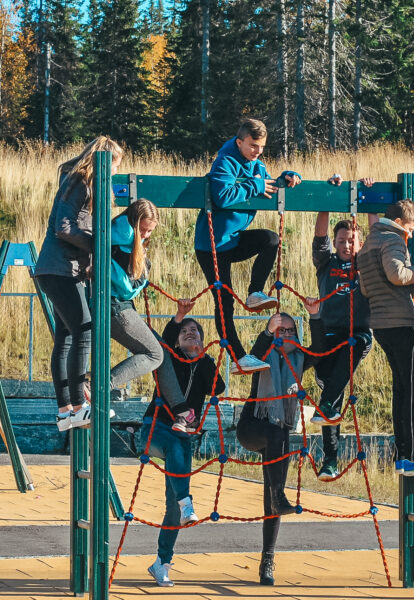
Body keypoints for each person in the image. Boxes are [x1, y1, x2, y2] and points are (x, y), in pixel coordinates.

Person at [193, 118, 302, 375]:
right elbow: (222, 195)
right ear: (239, 141)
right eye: (253, 145)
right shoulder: (225, 161)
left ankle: (255, 293)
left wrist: (288, 177)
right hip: (212, 244)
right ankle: (239, 358)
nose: (258, 151)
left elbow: (267, 184)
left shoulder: (257, 164)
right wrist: (254, 184)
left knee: (270, 239)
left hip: (234, 239)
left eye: (262, 146)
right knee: (224, 302)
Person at [34, 136, 124, 433]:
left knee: (66, 339)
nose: (114, 173)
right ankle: (77, 404)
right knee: (84, 329)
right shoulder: (82, 183)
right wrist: (98, 244)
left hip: (57, 268)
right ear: (103, 161)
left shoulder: (75, 181)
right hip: (60, 269)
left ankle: (65, 412)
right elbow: (63, 226)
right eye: (114, 166)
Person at [235, 300, 322, 586]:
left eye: (289, 330)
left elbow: (321, 348)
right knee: (276, 442)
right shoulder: (262, 355)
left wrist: (314, 316)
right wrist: (267, 332)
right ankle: (278, 496)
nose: (284, 334)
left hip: (279, 431)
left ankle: (267, 560)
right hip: (252, 426)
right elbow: (250, 357)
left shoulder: (300, 358)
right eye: (279, 330)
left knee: (273, 495)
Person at [143, 298, 226, 587]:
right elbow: (164, 341)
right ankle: (187, 502)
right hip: (155, 428)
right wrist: (180, 315)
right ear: (178, 342)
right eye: (185, 332)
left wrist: (203, 358)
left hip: (183, 435)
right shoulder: (170, 359)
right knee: (175, 446)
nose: (191, 334)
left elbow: (219, 387)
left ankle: (162, 563)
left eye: (195, 332)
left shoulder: (203, 365)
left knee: (172, 508)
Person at [357, 200, 414, 476]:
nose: (410, 235)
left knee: (402, 388)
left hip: (381, 324)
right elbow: (398, 274)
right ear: (400, 223)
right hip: (401, 322)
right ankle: (411, 454)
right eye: (410, 229)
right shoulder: (393, 240)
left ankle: (403, 454)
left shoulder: (368, 243)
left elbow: (365, 288)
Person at [309, 178, 375, 480]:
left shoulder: (366, 262)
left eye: (351, 241)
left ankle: (331, 458)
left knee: (354, 347)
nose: (346, 245)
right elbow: (319, 234)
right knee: (329, 388)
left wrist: (370, 197)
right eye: (342, 241)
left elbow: (378, 234)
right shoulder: (326, 262)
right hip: (327, 334)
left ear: (359, 243)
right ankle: (330, 458)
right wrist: (327, 196)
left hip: (356, 333)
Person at [109, 199, 167, 394]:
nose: (145, 235)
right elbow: (127, 289)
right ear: (133, 223)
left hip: (117, 305)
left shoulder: (121, 238)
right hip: (116, 307)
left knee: (161, 350)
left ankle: (180, 410)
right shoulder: (120, 242)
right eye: (142, 230)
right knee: (155, 354)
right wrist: (143, 279)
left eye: (150, 231)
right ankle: (101, 386)